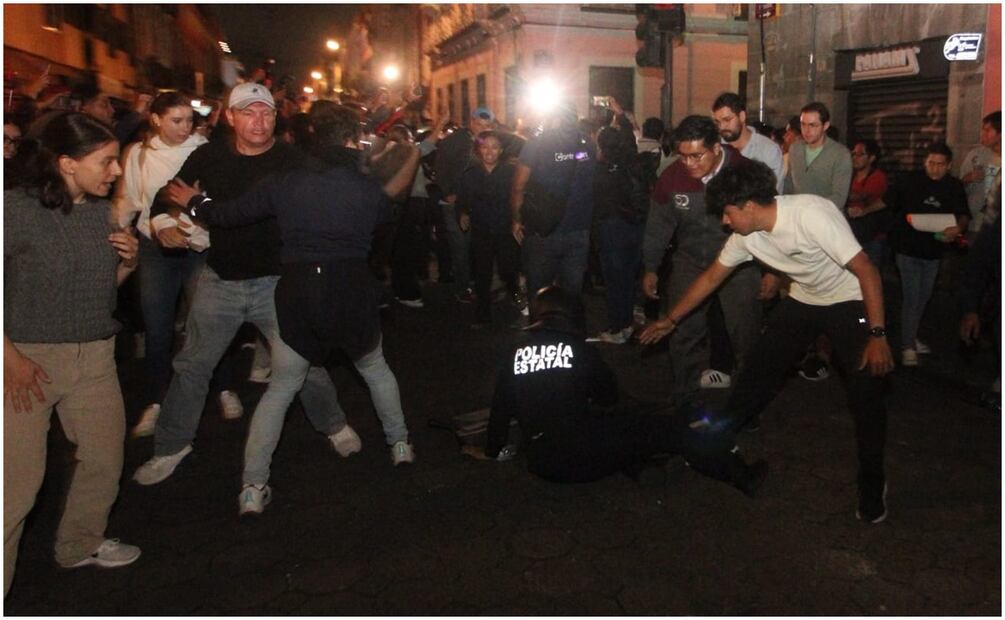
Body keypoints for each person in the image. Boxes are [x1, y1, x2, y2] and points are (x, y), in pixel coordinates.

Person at [168, 103, 420, 514]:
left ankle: (253, 486)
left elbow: (227, 215)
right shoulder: (365, 188)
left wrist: (195, 201)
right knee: (375, 369)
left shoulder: (284, 183)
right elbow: (382, 223)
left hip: (300, 293)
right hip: (352, 291)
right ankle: (401, 444)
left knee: (282, 388)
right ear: (350, 140)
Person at [131, 84, 361, 512]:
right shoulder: (210, 156)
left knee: (304, 363)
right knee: (192, 365)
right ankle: (172, 446)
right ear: (231, 117)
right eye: (249, 113)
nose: (259, 121)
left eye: (266, 113)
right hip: (221, 279)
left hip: (278, 282)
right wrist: (163, 221)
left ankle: (333, 424)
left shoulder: (293, 159)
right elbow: (168, 193)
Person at [639, 160, 895, 523]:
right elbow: (711, 278)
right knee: (758, 372)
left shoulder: (812, 214)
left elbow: (867, 269)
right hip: (805, 300)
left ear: (748, 206)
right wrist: (670, 319)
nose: (724, 222)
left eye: (728, 213)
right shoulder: (746, 237)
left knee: (867, 393)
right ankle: (716, 441)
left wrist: (878, 334)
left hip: (850, 299)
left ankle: (872, 481)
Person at [4, 112, 141, 594]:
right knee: (17, 487)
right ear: (66, 163)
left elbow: (95, 291)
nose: (116, 171)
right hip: (27, 362)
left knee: (104, 460)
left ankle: (79, 543)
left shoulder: (100, 212)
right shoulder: (13, 210)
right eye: (106, 161)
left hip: (96, 358)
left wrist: (128, 263)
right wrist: (10, 360)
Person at [464, 286, 767, 493]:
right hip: (587, 455)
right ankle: (739, 474)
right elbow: (608, 397)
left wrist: (489, 450)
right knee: (666, 427)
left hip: (544, 464)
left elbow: (500, 413)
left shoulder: (514, 355)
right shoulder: (580, 351)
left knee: (622, 436)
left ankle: (642, 467)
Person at [113, 91, 241, 437]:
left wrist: (185, 223)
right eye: (176, 120)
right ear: (155, 120)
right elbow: (129, 201)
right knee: (158, 327)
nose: (185, 127)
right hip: (155, 249)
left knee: (209, 322)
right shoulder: (138, 154)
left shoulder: (205, 150)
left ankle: (224, 387)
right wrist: (116, 237)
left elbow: (216, 198)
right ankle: (156, 400)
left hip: (199, 246)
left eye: (189, 120)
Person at [641, 115, 763, 405]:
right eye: (683, 156)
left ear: (716, 148)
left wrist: (771, 272)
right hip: (691, 260)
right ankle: (685, 398)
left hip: (740, 264)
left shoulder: (745, 172)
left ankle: (747, 403)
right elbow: (658, 225)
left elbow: (767, 225)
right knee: (682, 329)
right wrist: (651, 267)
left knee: (745, 333)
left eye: (697, 156)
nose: (689, 164)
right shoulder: (672, 177)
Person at [784, 101, 853, 382]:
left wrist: (810, 217)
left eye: (813, 125)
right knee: (798, 290)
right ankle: (798, 350)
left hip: (828, 232)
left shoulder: (840, 155)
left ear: (825, 125)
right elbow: (790, 186)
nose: (807, 130)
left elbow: (838, 198)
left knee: (827, 293)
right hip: (798, 231)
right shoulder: (795, 149)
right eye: (803, 124)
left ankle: (823, 355)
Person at [886, 142, 969, 367]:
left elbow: (963, 214)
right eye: (931, 163)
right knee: (912, 297)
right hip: (907, 249)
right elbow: (889, 204)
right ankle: (907, 346)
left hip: (934, 252)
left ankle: (911, 335)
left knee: (923, 296)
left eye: (940, 164)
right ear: (925, 162)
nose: (935, 168)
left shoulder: (953, 186)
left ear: (949, 165)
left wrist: (958, 228)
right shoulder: (910, 181)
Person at [511, 101, 595, 302]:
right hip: (579, 230)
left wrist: (516, 219)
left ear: (554, 118)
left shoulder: (537, 143)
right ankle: (567, 322)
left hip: (543, 230)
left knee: (539, 292)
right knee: (571, 296)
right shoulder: (588, 144)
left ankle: (540, 321)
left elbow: (518, 186)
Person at [586, 122, 648, 343]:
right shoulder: (632, 163)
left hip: (612, 228)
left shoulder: (602, 169)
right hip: (636, 226)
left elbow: (597, 201)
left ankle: (619, 327)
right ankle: (629, 317)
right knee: (629, 276)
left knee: (614, 280)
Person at [455, 130, 522, 326]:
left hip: (505, 229)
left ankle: (515, 293)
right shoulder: (471, 175)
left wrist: (519, 221)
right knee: (482, 273)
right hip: (481, 230)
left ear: (501, 150)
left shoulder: (511, 172)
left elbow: (520, 196)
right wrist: (462, 214)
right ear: (479, 150)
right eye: (485, 147)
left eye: (494, 147)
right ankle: (483, 313)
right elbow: (462, 200)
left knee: (508, 268)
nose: (489, 151)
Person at [434, 106, 497, 302]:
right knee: (460, 247)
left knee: (477, 246)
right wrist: (448, 193)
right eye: (479, 124)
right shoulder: (455, 140)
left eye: (487, 125)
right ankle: (463, 288)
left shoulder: (485, 143)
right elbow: (440, 167)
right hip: (455, 202)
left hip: (477, 203)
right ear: (471, 122)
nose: (483, 128)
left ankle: (477, 284)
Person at [711, 92, 784, 192]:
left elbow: (773, 193)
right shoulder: (715, 149)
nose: (722, 127)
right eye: (718, 122)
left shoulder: (769, 150)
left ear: (742, 116)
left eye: (727, 120)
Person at [845, 139, 890, 267]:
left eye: (860, 154)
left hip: (872, 238)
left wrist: (840, 192)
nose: (855, 158)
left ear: (871, 158)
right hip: (852, 234)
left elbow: (861, 196)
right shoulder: (850, 175)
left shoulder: (878, 177)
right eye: (853, 154)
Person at [959, 111, 1001, 235]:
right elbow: (957, 188)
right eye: (983, 130)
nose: (983, 134)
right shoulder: (976, 155)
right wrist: (968, 178)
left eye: (988, 130)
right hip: (974, 223)